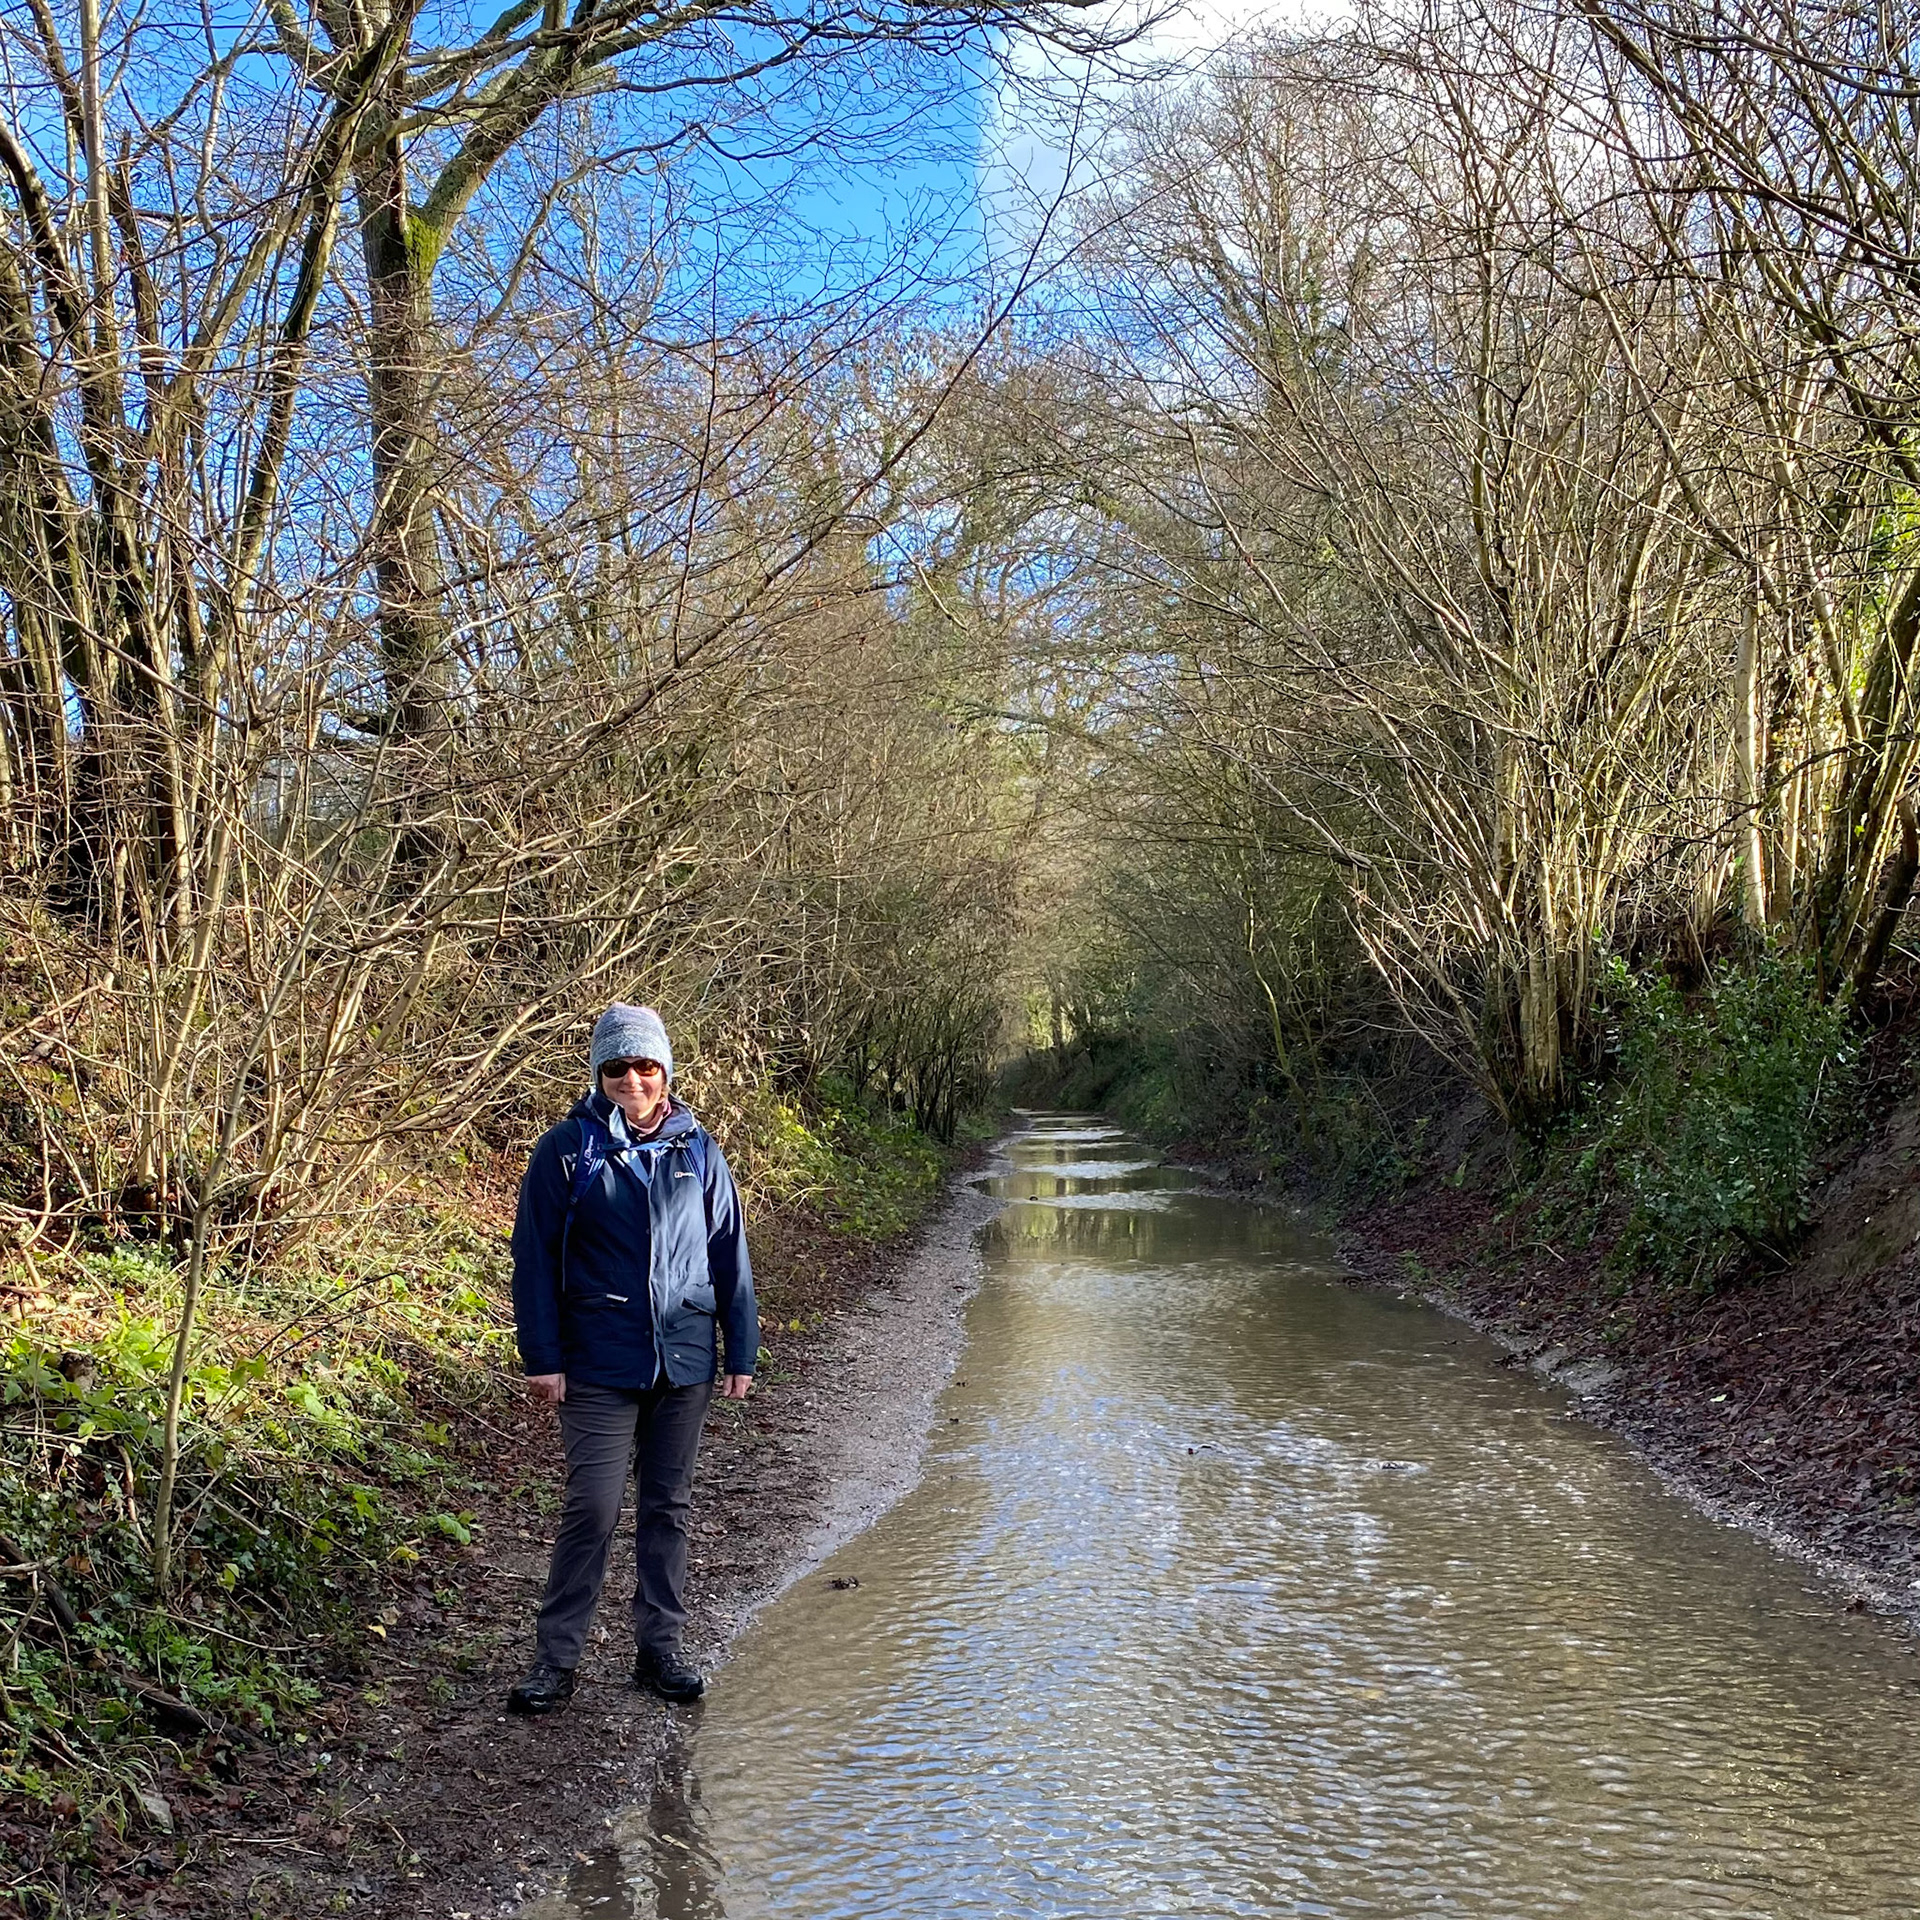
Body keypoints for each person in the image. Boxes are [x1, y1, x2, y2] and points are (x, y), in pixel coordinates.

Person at [506, 1004, 757, 1712]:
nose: (632, 1079)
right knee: (593, 1505)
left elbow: (729, 1253)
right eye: (616, 1066)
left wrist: (740, 1347)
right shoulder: (565, 1150)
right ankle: (556, 1660)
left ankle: (660, 1651)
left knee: (666, 1506)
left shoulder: (699, 1150)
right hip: (596, 1360)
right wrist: (541, 1355)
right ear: (598, 1073)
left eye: (646, 1065)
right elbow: (533, 1261)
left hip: (684, 1362)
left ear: (666, 1072)